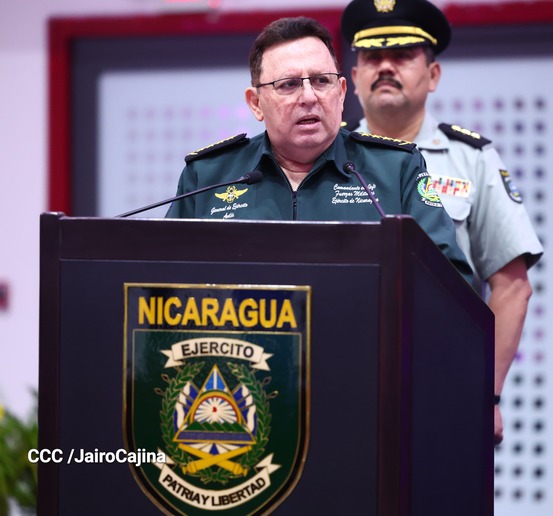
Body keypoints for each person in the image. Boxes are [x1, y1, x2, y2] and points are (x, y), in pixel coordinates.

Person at [340, 0, 543, 445]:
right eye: (372, 57)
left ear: (433, 75)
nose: (385, 66)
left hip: (443, 381)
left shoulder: (472, 159)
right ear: (353, 77)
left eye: (402, 55)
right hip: (339, 379)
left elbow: (512, 287)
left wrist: (485, 392)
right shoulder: (327, 159)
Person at [166, 16, 471, 283]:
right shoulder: (208, 176)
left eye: (321, 81)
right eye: (288, 84)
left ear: (341, 93)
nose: (309, 97)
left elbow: (449, 281)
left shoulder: (396, 169)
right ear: (256, 103)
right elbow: (161, 281)